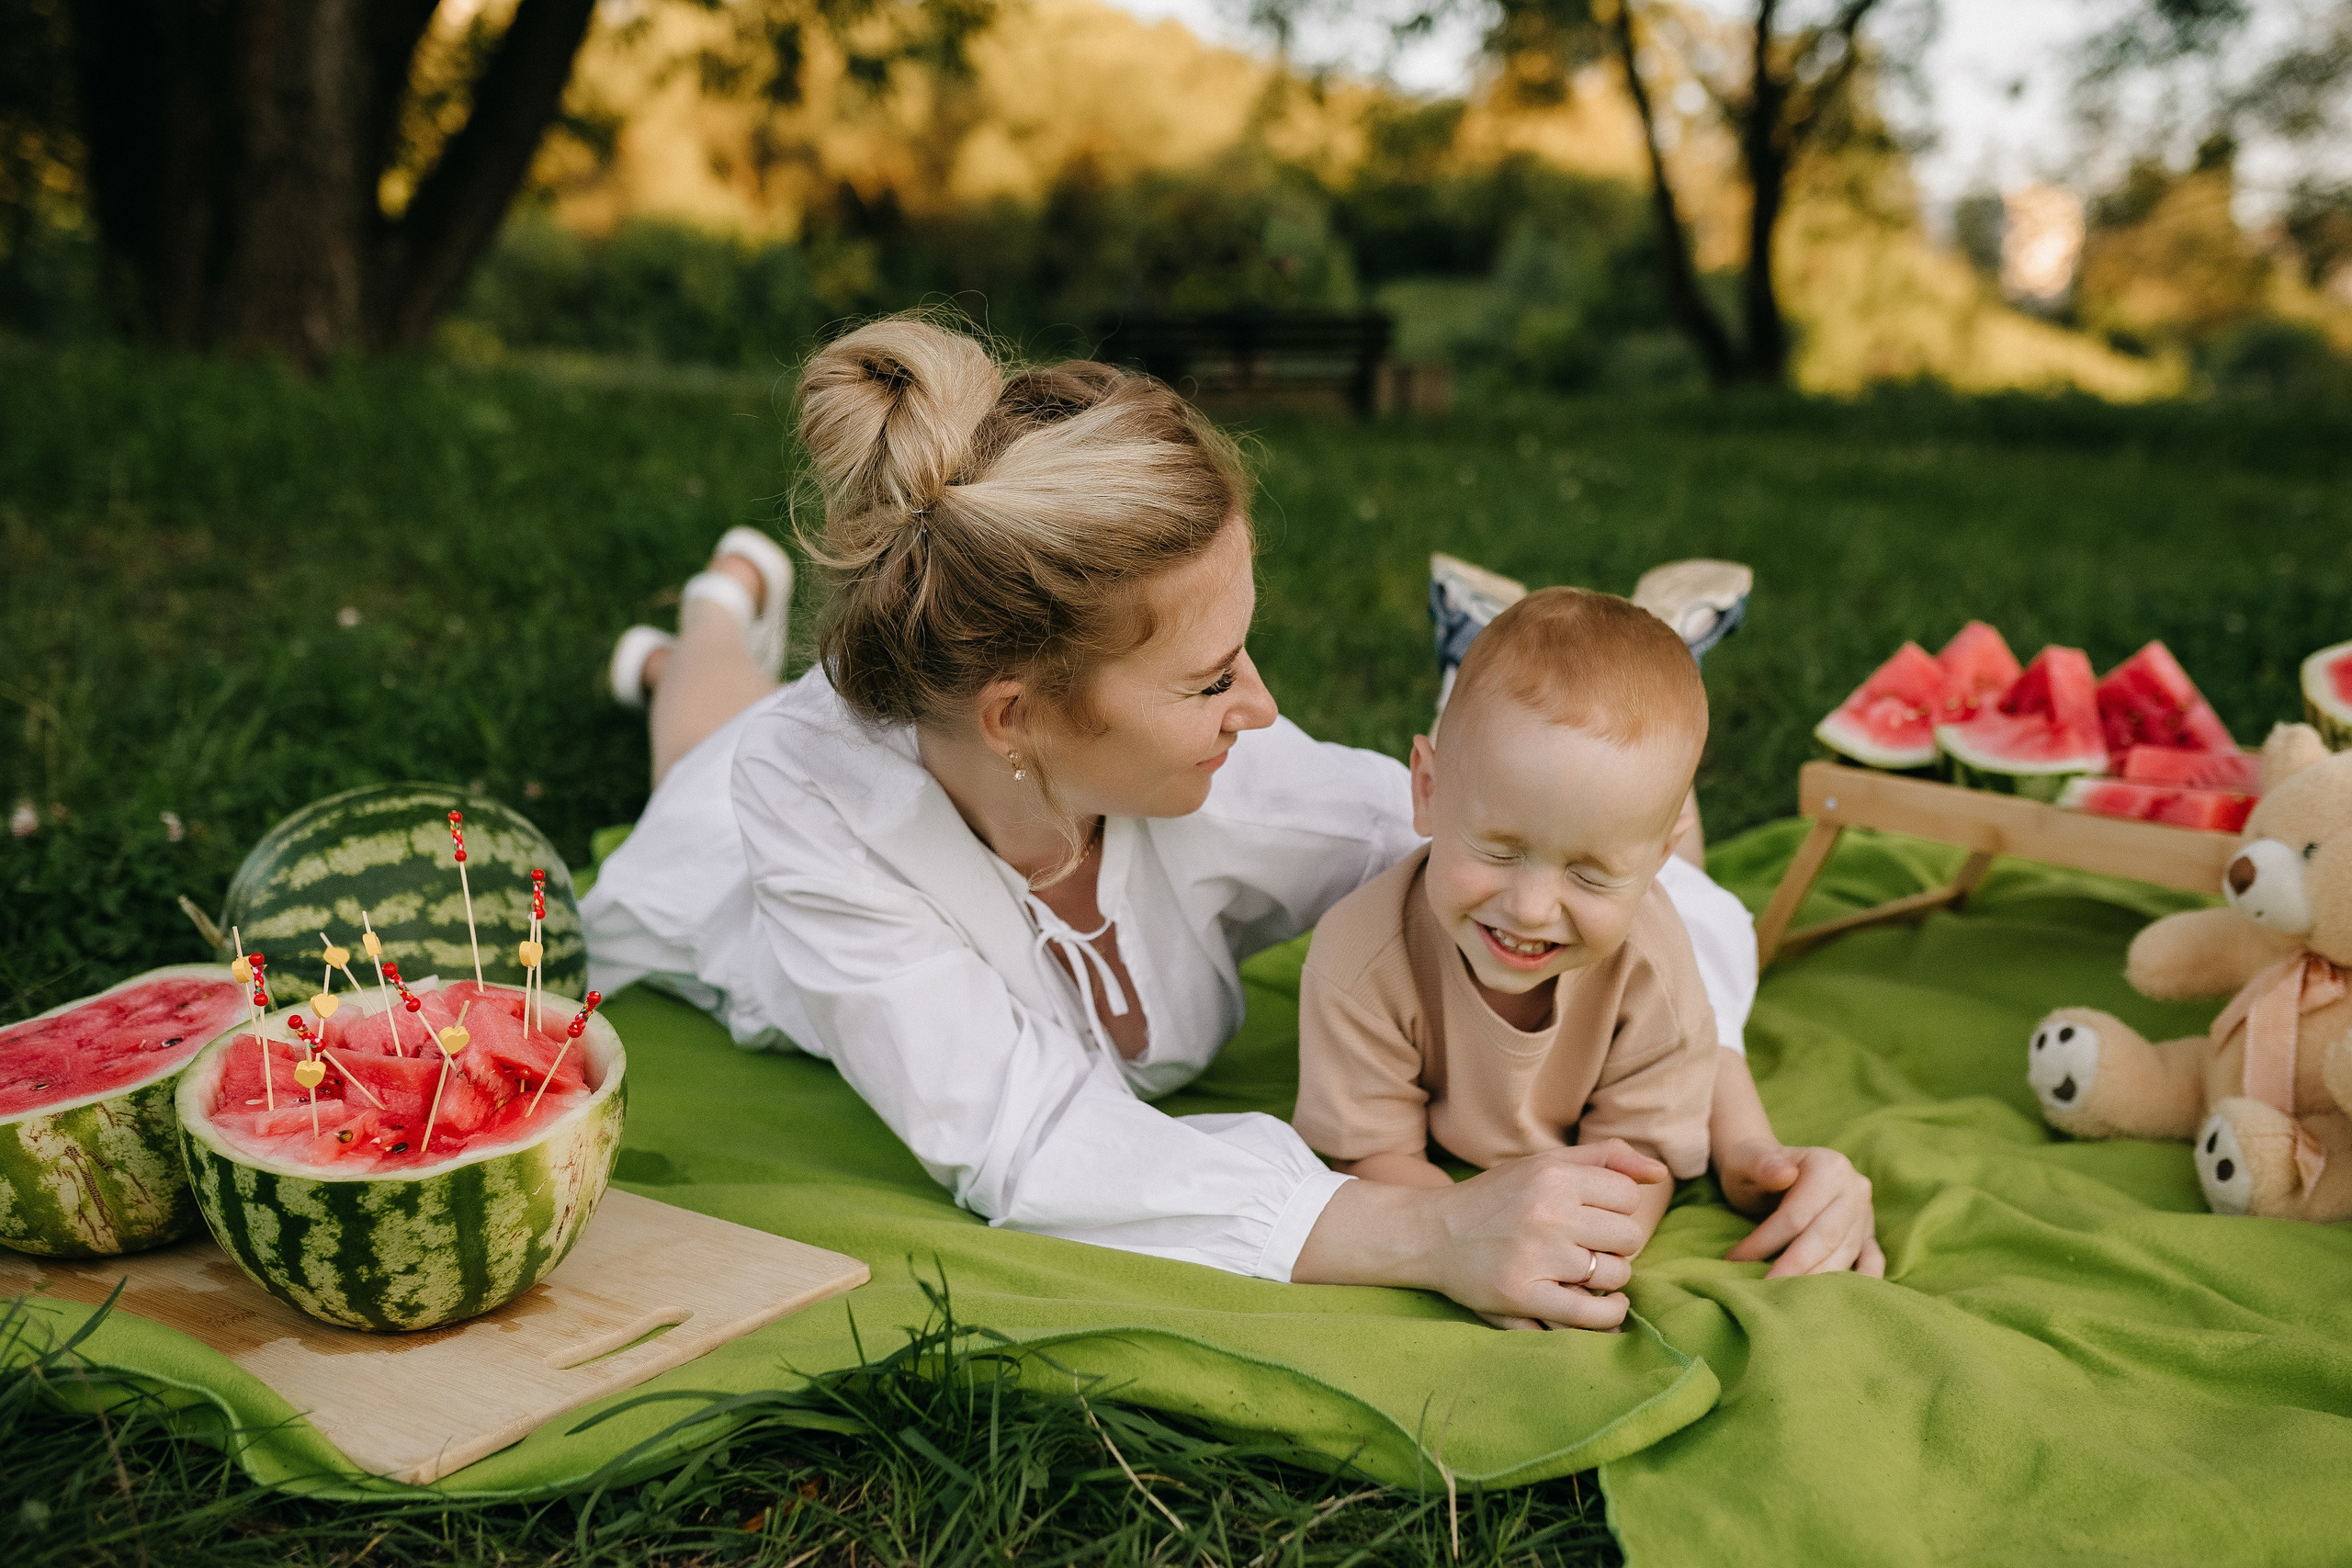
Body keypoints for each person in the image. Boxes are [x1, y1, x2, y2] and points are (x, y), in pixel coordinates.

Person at [582, 314, 1878, 1332]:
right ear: (1022, 716)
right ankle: (711, 606)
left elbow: (1608, 896)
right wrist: (1434, 1233)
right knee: (700, 750)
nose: (1259, 705)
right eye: (1209, 678)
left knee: (712, 727)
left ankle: (688, 634)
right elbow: (1022, 1135)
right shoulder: (812, 811)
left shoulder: (1232, 766)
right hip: (728, 862)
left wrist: (1746, 1127)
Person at [1295, 588, 1841, 1331]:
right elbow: (1371, 1154)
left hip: (1688, 916)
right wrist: (1475, 1242)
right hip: (1614, 857)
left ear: (1654, 864)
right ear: (1426, 791)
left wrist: (1586, 1251)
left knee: (1706, 911)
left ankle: (1671, 650)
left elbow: (1643, 1159)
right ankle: (1503, 654)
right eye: (1497, 849)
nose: (1528, 908)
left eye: (1584, 874)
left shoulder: (1662, 968)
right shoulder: (1359, 955)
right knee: (1586, 794)